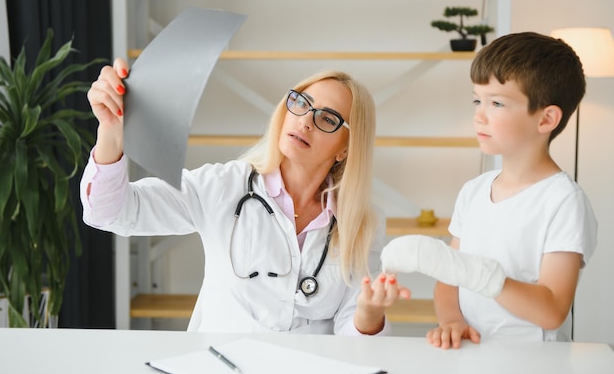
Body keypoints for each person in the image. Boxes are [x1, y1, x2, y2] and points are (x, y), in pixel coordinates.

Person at [81, 58, 409, 335]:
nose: (305, 121)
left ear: (345, 149)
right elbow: (112, 212)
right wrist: (110, 131)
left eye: (326, 118)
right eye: (300, 103)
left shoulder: (362, 222)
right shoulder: (223, 186)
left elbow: (353, 341)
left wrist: (368, 312)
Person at [381, 32, 598, 347]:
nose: (478, 115)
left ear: (546, 118)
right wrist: (452, 321)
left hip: (534, 364)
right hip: (474, 354)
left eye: (496, 103)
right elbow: (449, 281)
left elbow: (552, 311)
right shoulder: (474, 191)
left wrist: (482, 276)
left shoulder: (564, 201)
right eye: (477, 100)